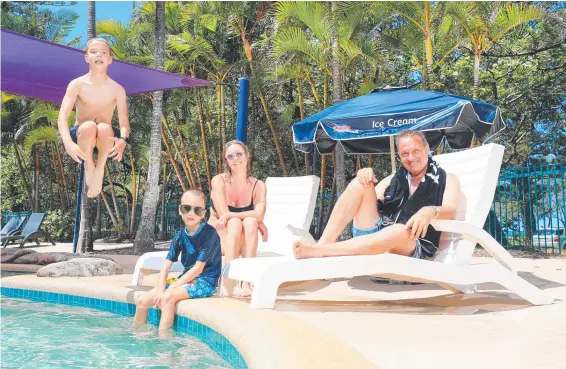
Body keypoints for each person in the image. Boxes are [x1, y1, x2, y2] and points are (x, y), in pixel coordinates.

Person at [293, 129, 460, 261]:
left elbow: (451, 209)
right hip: (377, 233)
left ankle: (322, 251)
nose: (410, 158)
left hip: (411, 243)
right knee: (361, 183)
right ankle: (322, 245)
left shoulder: (447, 178)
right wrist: (364, 175)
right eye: (404, 153)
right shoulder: (395, 178)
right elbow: (372, 199)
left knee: (399, 230)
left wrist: (429, 211)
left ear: (427, 149)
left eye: (416, 151)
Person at [133, 189, 221, 336]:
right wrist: (160, 291)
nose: (191, 213)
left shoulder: (209, 234)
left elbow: (198, 269)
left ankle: (163, 345)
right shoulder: (180, 236)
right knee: (143, 300)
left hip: (204, 282)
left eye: (197, 210)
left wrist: (167, 291)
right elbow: (165, 268)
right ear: (180, 210)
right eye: (187, 208)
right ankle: (136, 337)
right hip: (185, 279)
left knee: (167, 298)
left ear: (203, 214)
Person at [57, 38, 130, 198]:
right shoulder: (77, 84)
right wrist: (68, 143)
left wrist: (123, 141)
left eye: (104, 52)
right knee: (90, 125)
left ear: (110, 60)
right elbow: (62, 117)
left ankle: (100, 168)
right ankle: (90, 166)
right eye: (94, 52)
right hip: (81, 135)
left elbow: (124, 121)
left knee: (103, 127)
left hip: (105, 138)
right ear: (86, 57)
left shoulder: (118, 89)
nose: (99, 55)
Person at [209, 140, 268, 298]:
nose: (236, 158)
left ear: (247, 156)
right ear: (226, 161)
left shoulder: (258, 185)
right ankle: (229, 281)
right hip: (217, 238)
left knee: (251, 222)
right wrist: (249, 217)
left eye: (239, 154)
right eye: (230, 156)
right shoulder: (219, 181)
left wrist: (258, 221)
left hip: (241, 239)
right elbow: (224, 216)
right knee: (235, 222)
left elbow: (259, 215)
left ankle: (246, 282)